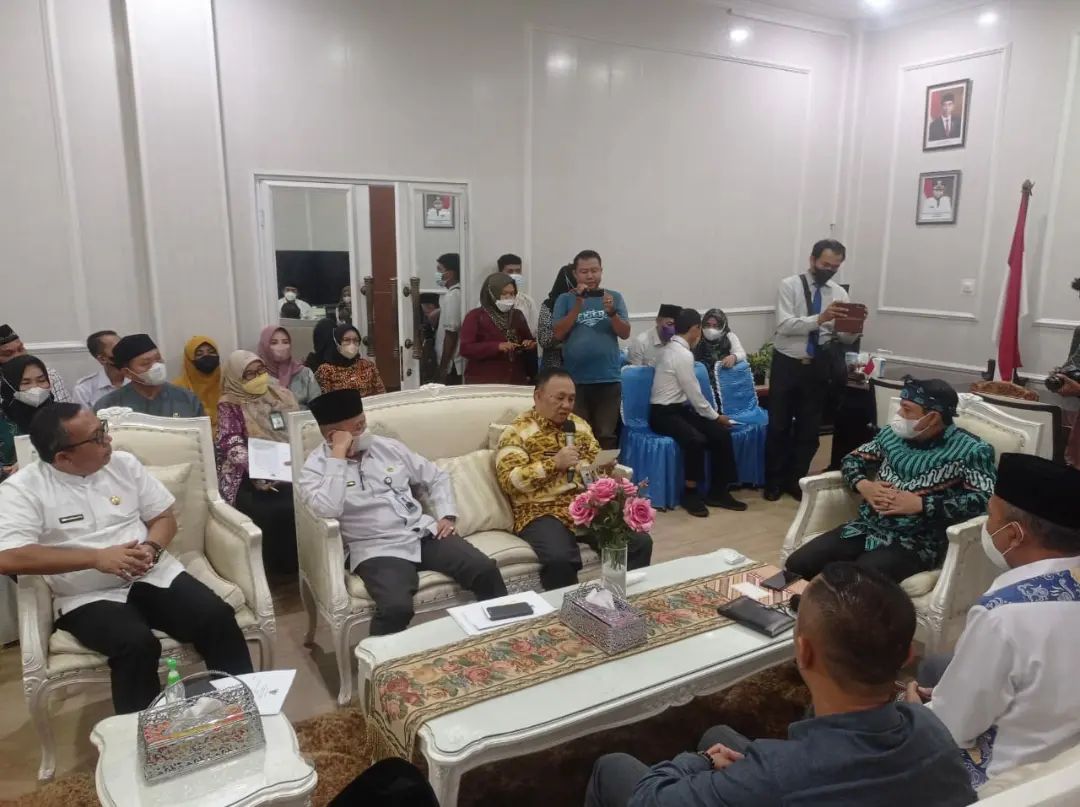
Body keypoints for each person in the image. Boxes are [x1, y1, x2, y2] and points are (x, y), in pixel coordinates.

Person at [587, 562, 977, 807]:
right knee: (718, 734)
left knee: (613, 767)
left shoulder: (776, 773)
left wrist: (699, 763)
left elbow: (648, 799)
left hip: (789, 780)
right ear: (907, 655)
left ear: (803, 652)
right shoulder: (931, 729)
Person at [0, 403, 252, 713]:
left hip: (152, 573)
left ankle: (242, 709)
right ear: (63, 457)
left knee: (216, 617)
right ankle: (146, 731)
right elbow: (8, 557)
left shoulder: (124, 464)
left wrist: (152, 548)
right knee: (135, 644)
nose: (108, 440)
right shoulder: (22, 489)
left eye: (103, 429)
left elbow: (163, 518)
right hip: (86, 594)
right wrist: (96, 558)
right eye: (97, 437)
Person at [907, 453, 1080, 789]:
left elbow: (953, 728)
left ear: (1013, 534)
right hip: (1067, 757)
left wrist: (918, 711)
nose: (987, 527)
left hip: (1010, 779)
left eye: (990, 516)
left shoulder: (1004, 613)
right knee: (937, 669)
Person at [298, 389, 507, 634]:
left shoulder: (388, 448)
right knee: (396, 608)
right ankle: (377, 657)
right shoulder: (315, 469)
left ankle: (503, 636)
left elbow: (436, 476)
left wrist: (447, 515)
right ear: (333, 435)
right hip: (374, 548)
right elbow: (327, 508)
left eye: (363, 423)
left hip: (421, 533)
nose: (365, 431)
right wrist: (338, 457)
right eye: (357, 428)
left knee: (484, 570)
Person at [785, 377, 996, 583]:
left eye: (907, 409)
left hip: (918, 541)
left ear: (932, 417)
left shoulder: (972, 450)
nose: (899, 414)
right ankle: (783, 605)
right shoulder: (892, 436)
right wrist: (864, 485)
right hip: (866, 527)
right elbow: (852, 460)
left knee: (857, 583)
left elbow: (986, 500)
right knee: (797, 564)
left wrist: (923, 504)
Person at [495, 368, 652, 590]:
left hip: (585, 505)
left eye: (571, 399)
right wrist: (553, 464)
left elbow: (594, 468)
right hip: (540, 511)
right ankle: (569, 608)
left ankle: (618, 598)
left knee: (639, 542)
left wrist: (604, 468)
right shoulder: (516, 431)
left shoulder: (579, 426)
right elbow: (509, 481)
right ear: (538, 396)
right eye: (559, 398)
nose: (567, 405)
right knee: (559, 559)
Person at [765, 239, 862, 502]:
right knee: (778, 426)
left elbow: (844, 338)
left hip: (819, 366)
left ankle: (796, 480)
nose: (829, 270)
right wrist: (821, 318)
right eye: (825, 264)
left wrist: (853, 328)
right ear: (812, 260)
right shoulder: (789, 285)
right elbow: (784, 325)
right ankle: (773, 481)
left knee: (809, 429)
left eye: (835, 266)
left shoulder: (839, 293)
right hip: (788, 363)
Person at [649, 309, 745, 516]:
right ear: (695, 329)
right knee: (695, 440)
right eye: (700, 328)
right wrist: (717, 416)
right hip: (662, 414)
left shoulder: (672, 348)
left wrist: (715, 421)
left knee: (720, 434)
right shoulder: (680, 354)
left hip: (678, 410)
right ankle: (690, 493)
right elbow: (695, 395)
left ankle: (718, 491)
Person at [216, 351, 300, 576]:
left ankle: (299, 567)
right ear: (236, 378)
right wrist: (257, 469)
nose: (258, 377)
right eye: (249, 374)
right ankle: (270, 572)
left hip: (287, 465)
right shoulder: (230, 403)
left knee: (304, 503)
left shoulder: (281, 394)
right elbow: (230, 442)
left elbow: (298, 430)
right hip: (247, 473)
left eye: (260, 371)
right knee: (269, 511)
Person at [552, 250, 631, 450]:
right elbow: (558, 334)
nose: (590, 276)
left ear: (601, 271)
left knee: (606, 435)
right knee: (579, 434)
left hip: (608, 379)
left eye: (594, 271)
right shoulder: (564, 299)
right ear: (575, 273)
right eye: (584, 271)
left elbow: (625, 333)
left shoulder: (614, 297)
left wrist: (612, 313)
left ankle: (606, 472)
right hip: (575, 381)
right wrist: (578, 304)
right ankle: (581, 471)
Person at [95, 334, 205, 418]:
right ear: (127, 373)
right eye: (145, 363)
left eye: (158, 359)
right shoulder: (109, 406)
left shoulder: (187, 399)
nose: (156, 366)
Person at [459, 272, 537, 385]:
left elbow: (527, 339)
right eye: (504, 294)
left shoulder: (517, 315)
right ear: (491, 294)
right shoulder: (475, 316)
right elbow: (465, 348)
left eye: (512, 294)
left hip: (515, 379)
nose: (509, 297)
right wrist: (497, 346)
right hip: (485, 380)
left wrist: (528, 344)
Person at [0, 324, 70, 402]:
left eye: (20, 349)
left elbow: (65, 408)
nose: (18, 356)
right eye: (8, 354)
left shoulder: (50, 375)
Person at [314, 324, 386, 397]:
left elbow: (381, 393)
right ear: (337, 342)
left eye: (356, 340)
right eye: (346, 340)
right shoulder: (325, 371)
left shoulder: (368, 366)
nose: (352, 344)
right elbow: (325, 400)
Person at [256, 325, 321, 407]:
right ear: (264, 346)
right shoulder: (256, 376)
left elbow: (318, 405)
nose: (281, 347)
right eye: (274, 343)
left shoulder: (305, 373)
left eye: (285, 342)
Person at [693, 308, 747, 399]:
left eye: (715, 326)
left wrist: (734, 357)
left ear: (723, 325)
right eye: (708, 325)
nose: (711, 329)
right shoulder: (697, 336)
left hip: (724, 384)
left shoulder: (729, 336)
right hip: (701, 384)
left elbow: (742, 353)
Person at [174, 336, 223, 432]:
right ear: (189, 360)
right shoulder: (178, 388)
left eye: (211, 352)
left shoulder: (228, 382)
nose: (207, 356)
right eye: (199, 354)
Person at [1, 355, 56, 435]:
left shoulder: (63, 417)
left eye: (41, 380)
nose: (35, 387)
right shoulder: (3, 422)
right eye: (26, 383)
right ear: (9, 387)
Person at [537, 263, 576, 371]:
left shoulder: (588, 302)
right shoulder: (549, 305)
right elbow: (544, 339)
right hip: (556, 367)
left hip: (583, 368)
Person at [73, 330, 127, 408]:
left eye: (124, 346)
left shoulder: (140, 380)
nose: (125, 351)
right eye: (117, 348)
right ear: (102, 359)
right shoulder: (84, 390)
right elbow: (84, 416)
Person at [435, 253, 464, 384]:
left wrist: (443, 367)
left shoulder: (454, 295)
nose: (437, 274)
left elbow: (451, 334)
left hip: (452, 366)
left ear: (450, 273)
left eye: (440, 270)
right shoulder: (451, 294)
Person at [497, 253, 540, 338]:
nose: (515, 275)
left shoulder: (527, 301)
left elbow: (535, 330)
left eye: (518, 271)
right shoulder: (488, 299)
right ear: (500, 273)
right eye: (510, 271)